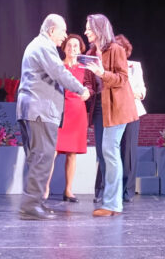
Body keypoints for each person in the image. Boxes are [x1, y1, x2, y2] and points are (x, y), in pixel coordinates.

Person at [17, 14, 90, 220]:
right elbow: (60, 72)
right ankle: (31, 206)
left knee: (37, 157)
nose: (65, 36)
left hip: (32, 109)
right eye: (62, 31)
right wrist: (81, 89)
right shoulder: (44, 46)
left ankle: (35, 203)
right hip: (40, 110)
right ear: (51, 31)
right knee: (43, 157)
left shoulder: (37, 45)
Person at [84, 14, 138, 216]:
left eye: (89, 28)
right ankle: (111, 202)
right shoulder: (91, 52)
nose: (86, 31)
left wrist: (102, 73)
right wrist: (86, 89)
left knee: (110, 151)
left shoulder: (116, 49)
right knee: (105, 153)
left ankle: (113, 204)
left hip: (117, 106)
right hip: (100, 106)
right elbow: (89, 80)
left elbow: (123, 79)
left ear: (99, 29)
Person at [44, 34, 95, 203]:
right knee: (52, 152)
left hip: (78, 112)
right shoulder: (58, 67)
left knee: (72, 153)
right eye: (69, 45)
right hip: (60, 112)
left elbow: (90, 86)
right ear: (64, 48)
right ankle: (45, 188)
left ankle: (68, 190)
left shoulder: (85, 68)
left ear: (80, 49)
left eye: (76, 46)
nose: (72, 48)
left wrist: (88, 93)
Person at [115, 34, 147, 203]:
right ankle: (110, 189)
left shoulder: (135, 66)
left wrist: (137, 93)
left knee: (128, 151)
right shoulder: (108, 67)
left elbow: (142, 89)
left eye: (121, 48)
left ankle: (128, 190)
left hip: (132, 111)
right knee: (112, 150)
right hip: (114, 111)